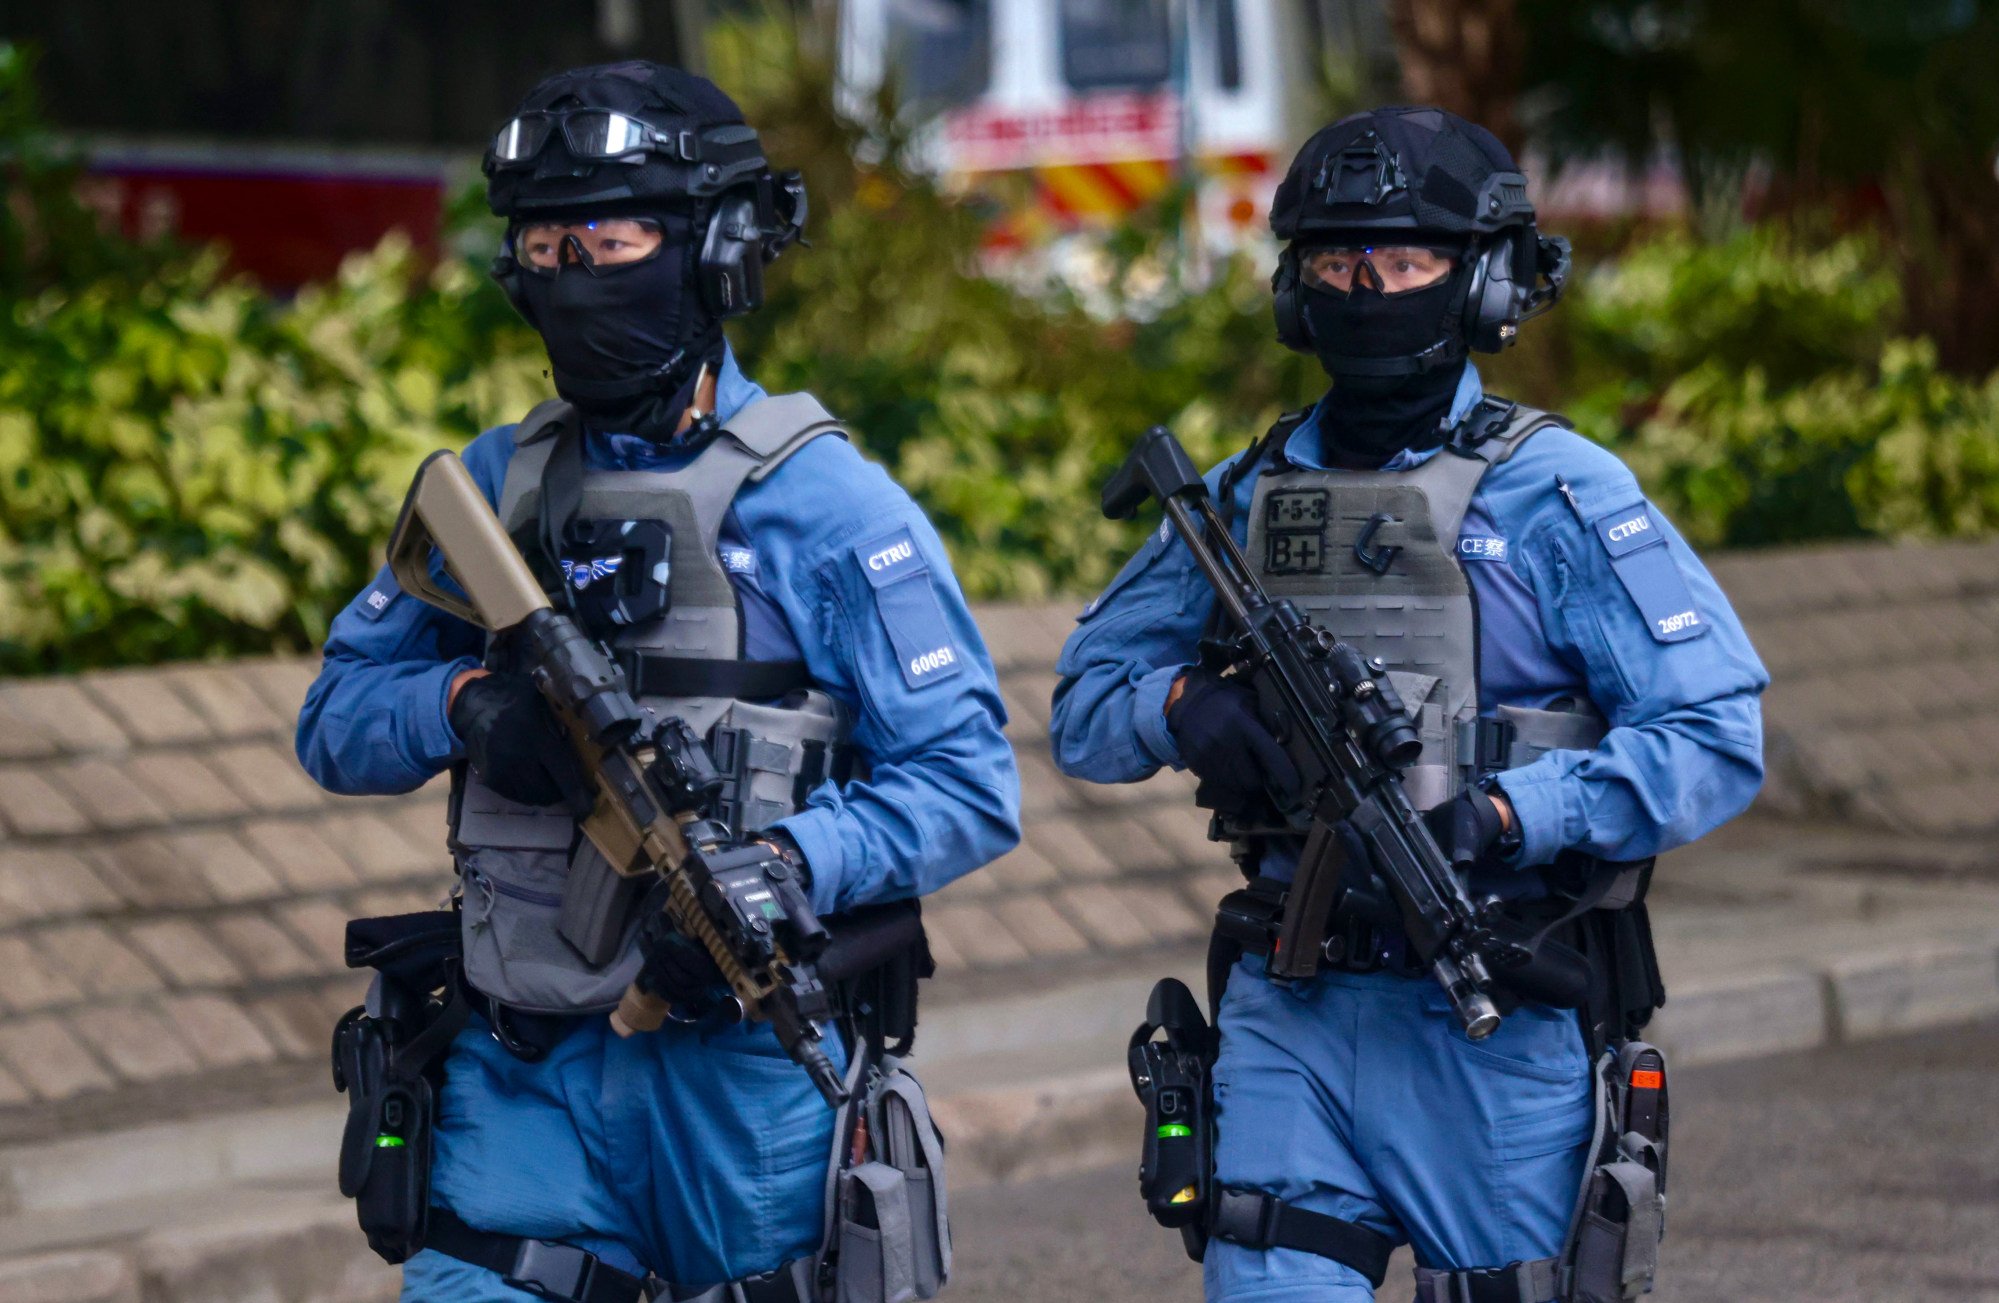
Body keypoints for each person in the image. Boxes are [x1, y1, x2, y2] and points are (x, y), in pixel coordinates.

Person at [297, 61, 1019, 1303]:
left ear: (715, 251)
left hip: (737, 1082)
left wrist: (785, 871)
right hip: (518, 1072)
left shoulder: (822, 502)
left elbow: (966, 784)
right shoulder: (492, 488)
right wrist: (463, 707)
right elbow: (333, 723)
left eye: (613, 238)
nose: (577, 275)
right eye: (547, 242)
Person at [1050, 107, 1767, 1302]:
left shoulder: (1559, 491)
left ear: (1484, 284)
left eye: (1406, 257)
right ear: (1294, 289)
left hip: (1490, 1007)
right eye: (1334, 260)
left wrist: (1507, 814)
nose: (1366, 285)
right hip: (1294, 1004)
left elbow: (1711, 738)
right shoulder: (1245, 496)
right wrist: (1179, 704)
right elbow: (1083, 705)